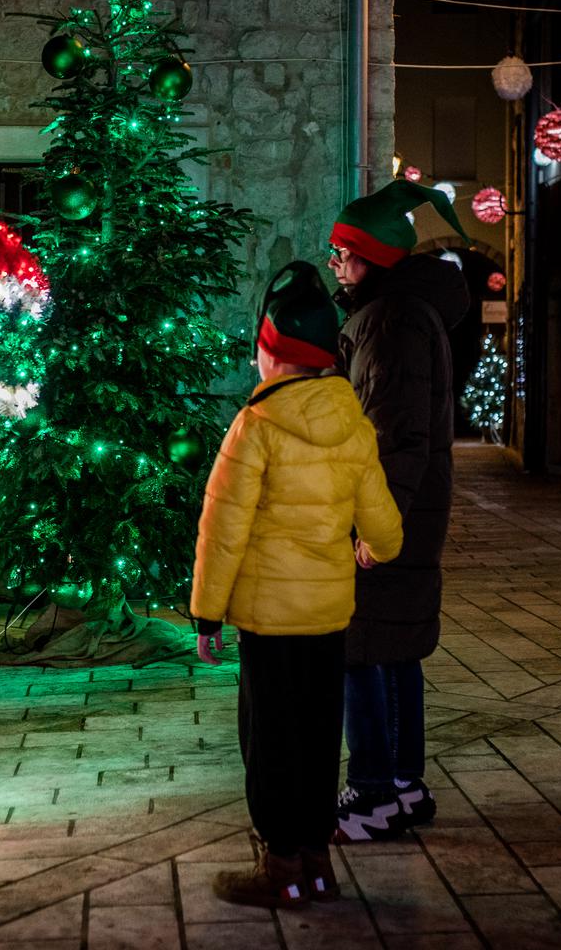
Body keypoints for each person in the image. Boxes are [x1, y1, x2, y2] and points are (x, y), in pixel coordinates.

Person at [191, 261, 403, 909]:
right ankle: (317, 860)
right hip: (327, 616)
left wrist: (206, 615)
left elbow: (222, 530)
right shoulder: (353, 424)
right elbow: (386, 527)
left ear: (275, 353)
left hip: (266, 619)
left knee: (269, 740)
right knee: (317, 736)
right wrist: (371, 547)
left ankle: (281, 864)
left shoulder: (255, 427)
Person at [325, 180, 472, 842]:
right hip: (410, 507)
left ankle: (374, 794)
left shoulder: (387, 322)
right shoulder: (405, 314)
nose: (334, 264)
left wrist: (370, 525)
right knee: (397, 647)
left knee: (363, 648)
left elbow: (392, 432)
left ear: (374, 259)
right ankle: (406, 786)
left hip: (390, 512)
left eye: (344, 254)